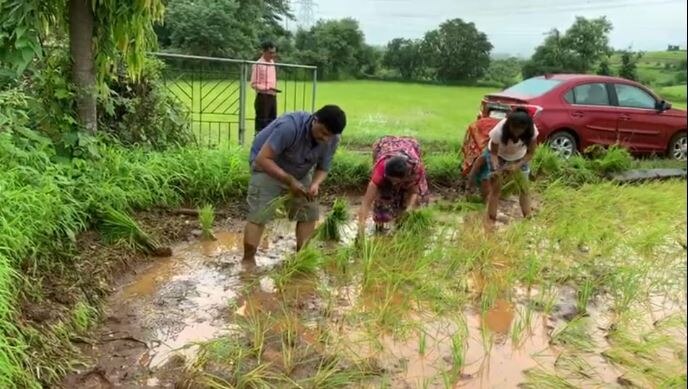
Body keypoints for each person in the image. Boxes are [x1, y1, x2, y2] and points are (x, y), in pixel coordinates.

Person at [243, 105, 347, 265]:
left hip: (300, 171)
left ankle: (302, 259)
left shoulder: (332, 138)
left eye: (330, 136)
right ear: (315, 120)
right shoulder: (289, 127)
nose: (326, 139)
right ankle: (248, 261)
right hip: (267, 167)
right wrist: (290, 181)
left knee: (309, 211)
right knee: (259, 214)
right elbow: (262, 159)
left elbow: (323, 167)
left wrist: (315, 184)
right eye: (324, 133)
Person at [472, 108, 538, 222]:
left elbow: (530, 153)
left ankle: (528, 217)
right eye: (514, 128)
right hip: (499, 155)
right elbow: (493, 153)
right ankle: (491, 217)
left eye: (521, 129)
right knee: (496, 188)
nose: (517, 132)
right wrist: (496, 168)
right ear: (509, 125)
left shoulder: (532, 131)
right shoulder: (499, 131)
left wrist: (517, 166)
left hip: (520, 157)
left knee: (524, 188)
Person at [357, 136, 429, 233]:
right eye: (390, 179)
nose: (393, 183)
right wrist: (360, 230)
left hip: (409, 149)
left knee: (416, 203)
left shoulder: (415, 170)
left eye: (395, 181)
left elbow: (414, 192)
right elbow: (366, 202)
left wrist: (409, 209)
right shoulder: (381, 170)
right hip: (386, 145)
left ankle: (401, 228)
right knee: (382, 199)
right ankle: (379, 228)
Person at [251, 41, 279, 133]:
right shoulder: (258, 64)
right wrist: (267, 88)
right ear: (264, 52)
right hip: (263, 97)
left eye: (274, 52)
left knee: (272, 122)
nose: (273, 55)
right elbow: (254, 84)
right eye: (270, 53)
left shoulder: (272, 63)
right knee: (262, 123)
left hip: (273, 96)